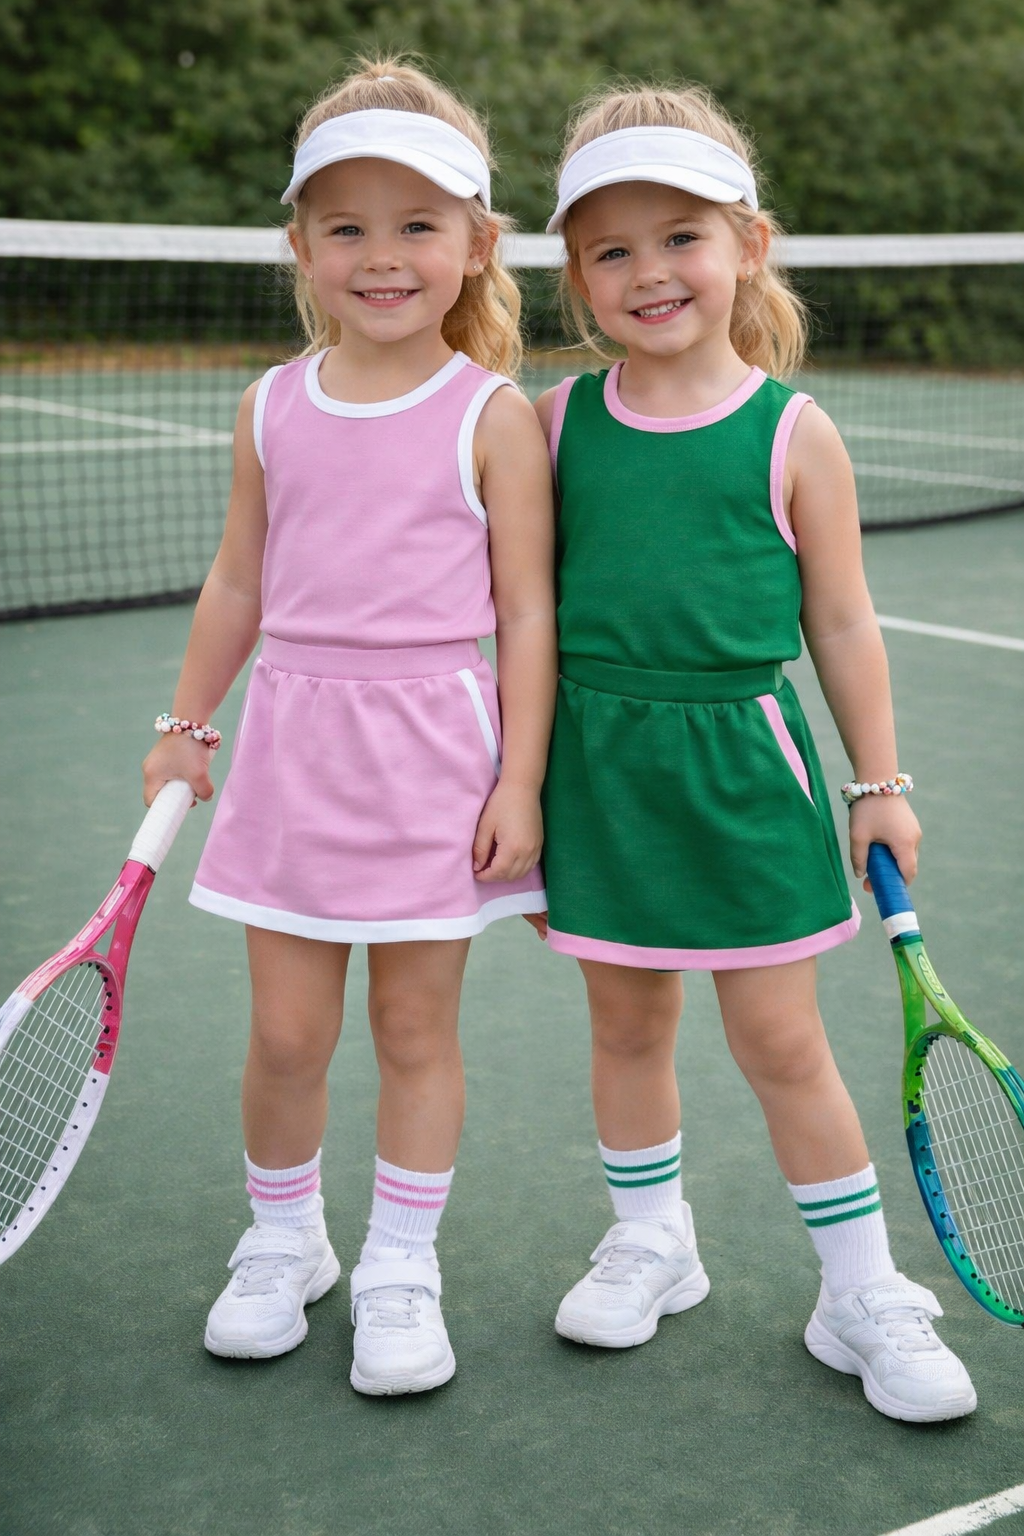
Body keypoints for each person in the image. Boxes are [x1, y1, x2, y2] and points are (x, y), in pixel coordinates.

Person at [530, 81, 975, 1422]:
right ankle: (653, 1242)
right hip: (597, 770)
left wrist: (880, 783)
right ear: (578, 276)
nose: (650, 272)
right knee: (626, 1023)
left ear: (748, 244)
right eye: (612, 249)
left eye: (682, 237)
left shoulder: (795, 431)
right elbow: (514, 614)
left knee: (782, 1039)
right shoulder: (551, 424)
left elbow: (840, 619)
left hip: (743, 773)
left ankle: (859, 1291)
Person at [142, 57, 555, 1395]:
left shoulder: (493, 416)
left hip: (437, 767)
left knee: (416, 1033)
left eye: (418, 225)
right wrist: (186, 721)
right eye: (347, 227)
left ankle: (400, 1266)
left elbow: (528, 616)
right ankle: (285, 1240)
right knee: (285, 1035)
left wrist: (522, 782)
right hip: (291, 760)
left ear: (476, 243)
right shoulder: (271, 404)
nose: (382, 257)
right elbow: (240, 581)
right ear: (302, 248)